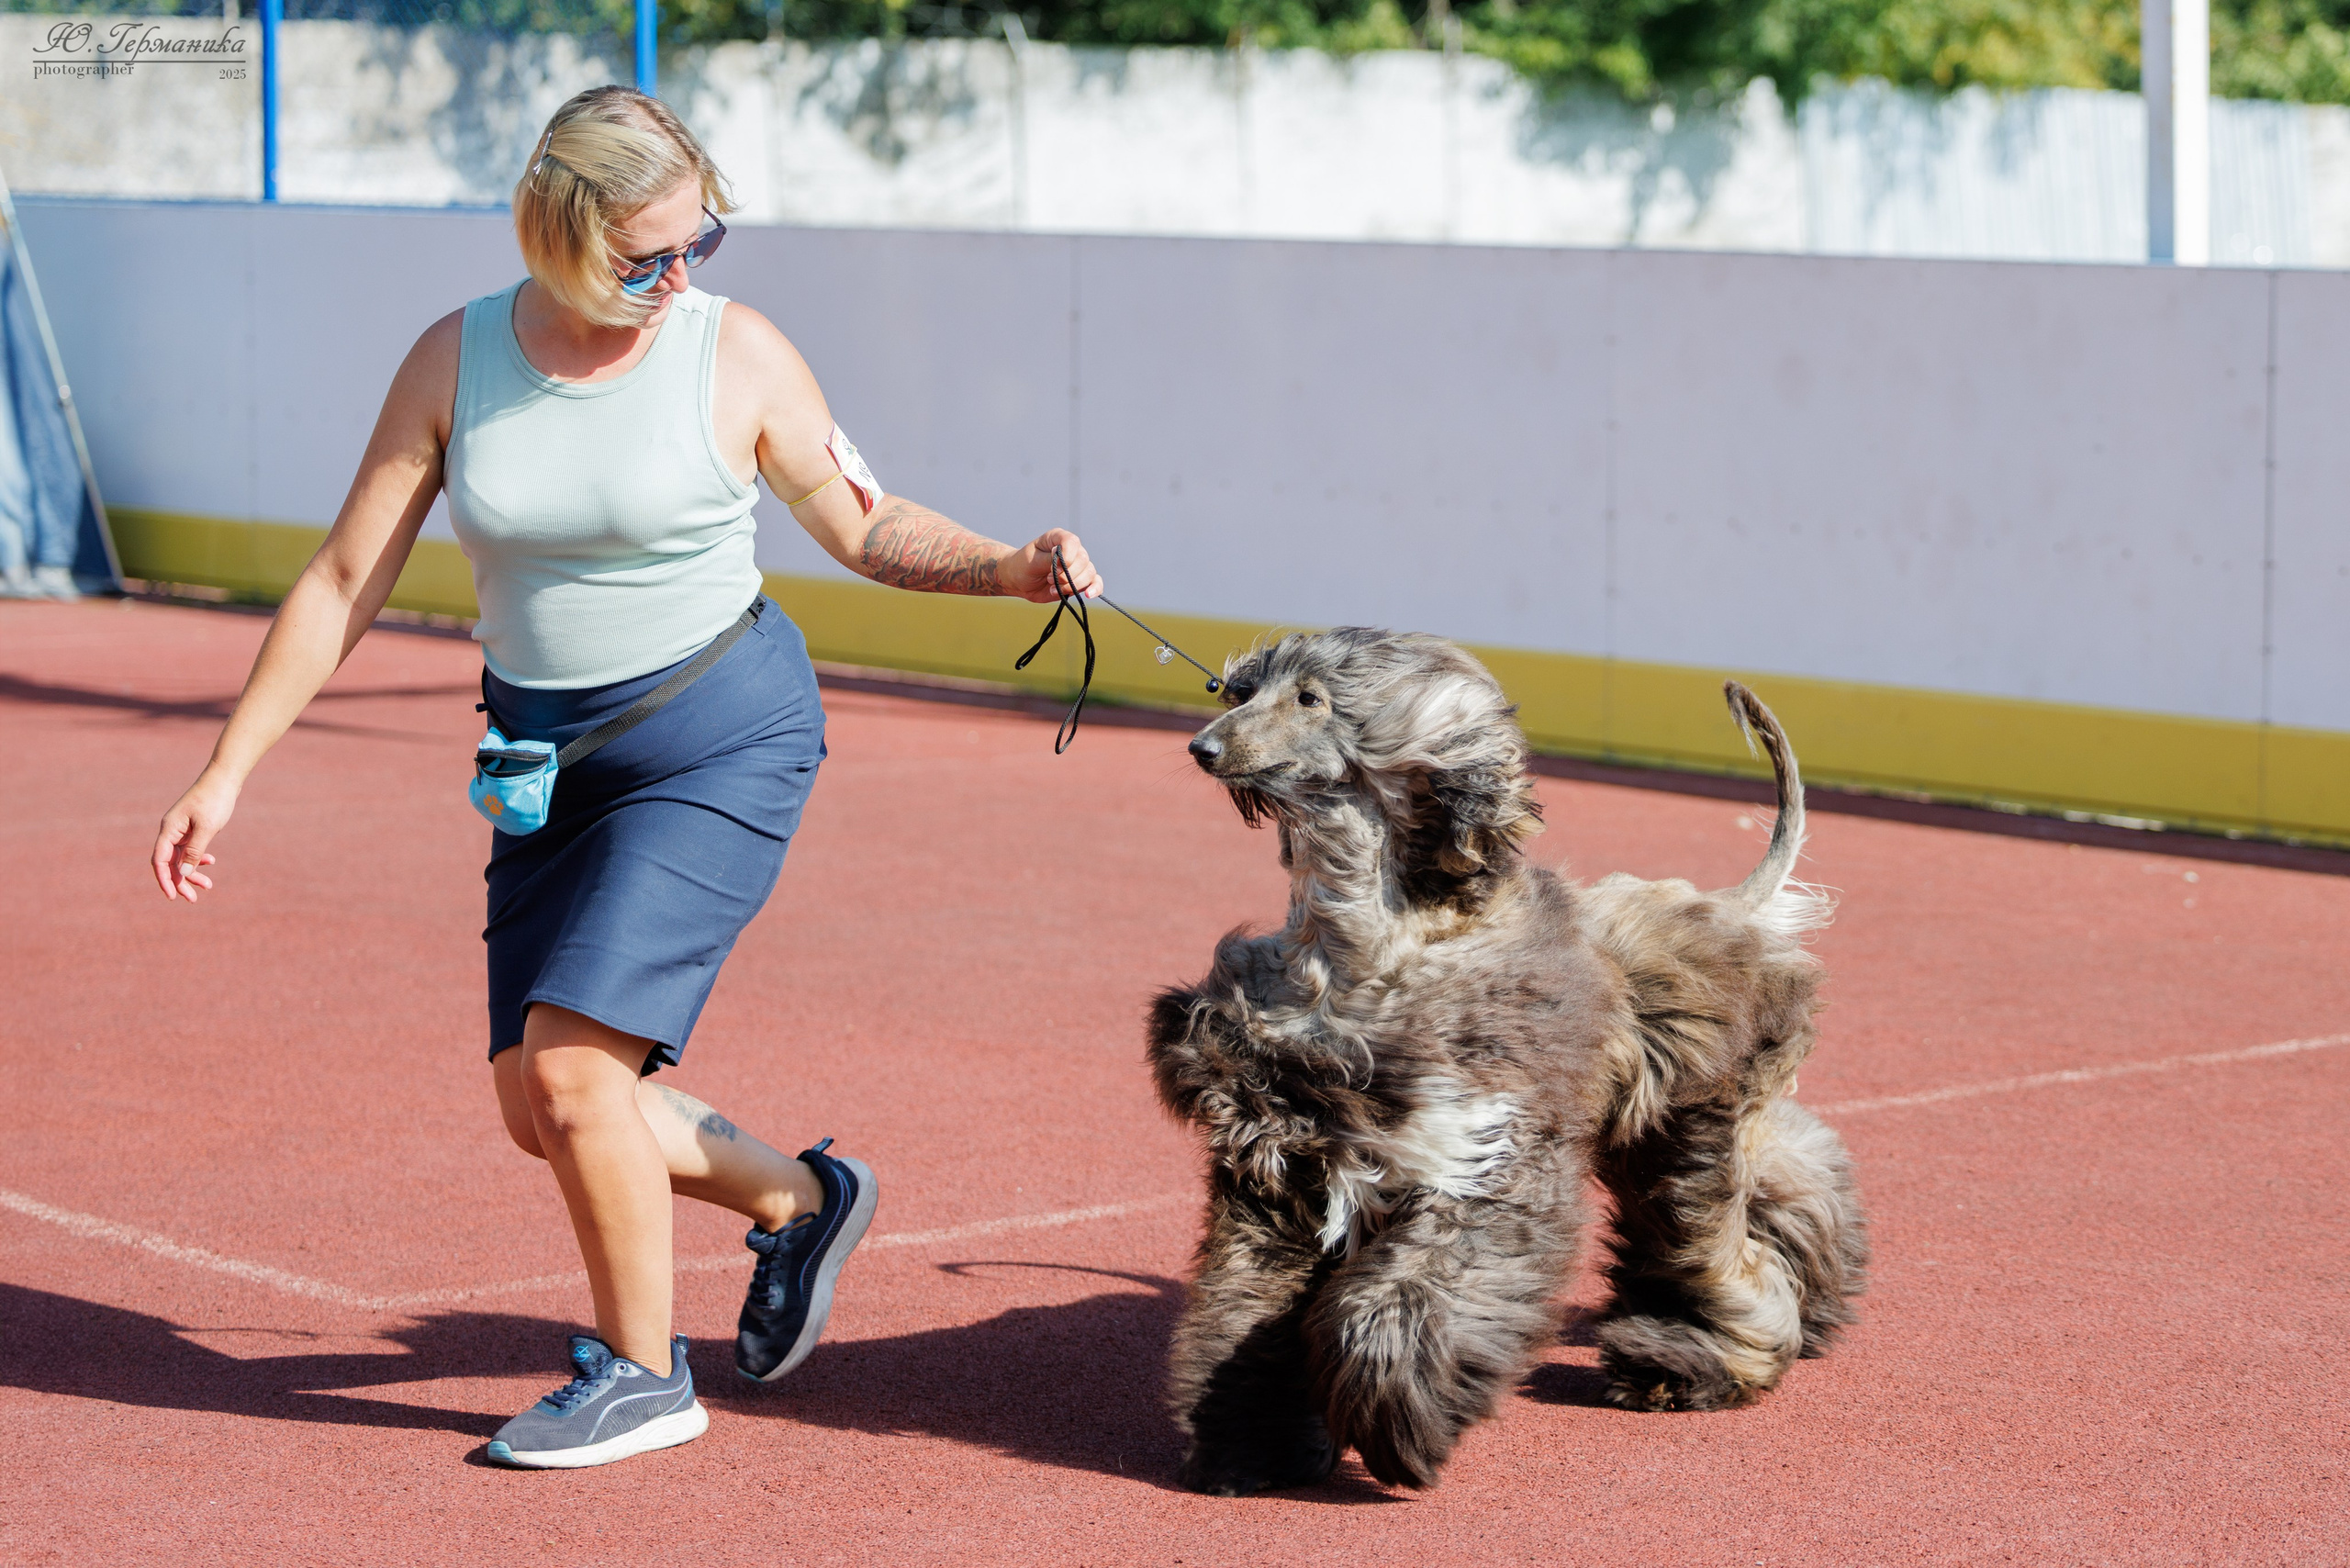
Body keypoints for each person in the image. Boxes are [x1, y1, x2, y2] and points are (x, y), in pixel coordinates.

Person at [147, 84, 1102, 1471]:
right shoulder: (453, 360)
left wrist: (1012, 563)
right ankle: (805, 1199)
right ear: (556, 236)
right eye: (642, 257)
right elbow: (345, 576)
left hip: (722, 730)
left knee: (579, 1072)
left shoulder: (738, 353)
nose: (674, 279)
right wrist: (225, 771)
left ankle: (645, 1376)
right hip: (547, 758)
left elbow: (865, 518)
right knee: (541, 1112)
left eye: (696, 246)